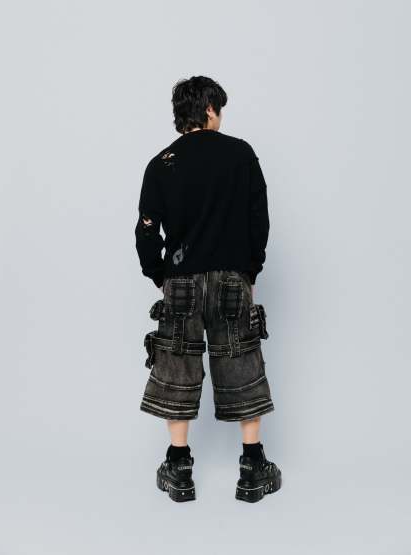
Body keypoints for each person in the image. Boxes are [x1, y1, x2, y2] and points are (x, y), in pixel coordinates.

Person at [134, 75, 281, 503]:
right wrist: (250, 270)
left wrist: (159, 274)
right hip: (233, 278)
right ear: (210, 109)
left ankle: (179, 469)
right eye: (220, 110)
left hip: (180, 281)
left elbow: (146, 231)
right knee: (242, 361)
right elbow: (259, 219)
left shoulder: (160, 164)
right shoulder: (240, 154)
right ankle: (253, 468)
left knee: (176, 365)